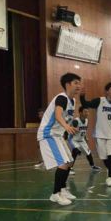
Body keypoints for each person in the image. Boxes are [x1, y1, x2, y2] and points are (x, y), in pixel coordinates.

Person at [36, 73, 80, 205]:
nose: (79, 85)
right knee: (63, 163)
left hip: (58, 135)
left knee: (69, 162)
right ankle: (55, 194)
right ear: (67, 84)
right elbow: (58, 115)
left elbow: (66, 118)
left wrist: (70, 126)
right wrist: (66, 126)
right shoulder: (61, 98)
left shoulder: (73, 101)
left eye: (79, 83)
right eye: (76, 83)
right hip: (48, 134)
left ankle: (63, 190)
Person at [68, 106, 101, 175]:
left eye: (88, 112)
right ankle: (70, 168)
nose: (87, 113)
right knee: (75, 151)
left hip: (81, 140)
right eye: (85, 112)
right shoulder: (76, 121)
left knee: (88, 153)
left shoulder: (86, 120)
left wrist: (86, 137)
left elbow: (84, 130)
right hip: (74, 139)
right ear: (80, 113)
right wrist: (74, 129)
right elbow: (71, 129)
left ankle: (93, 166)